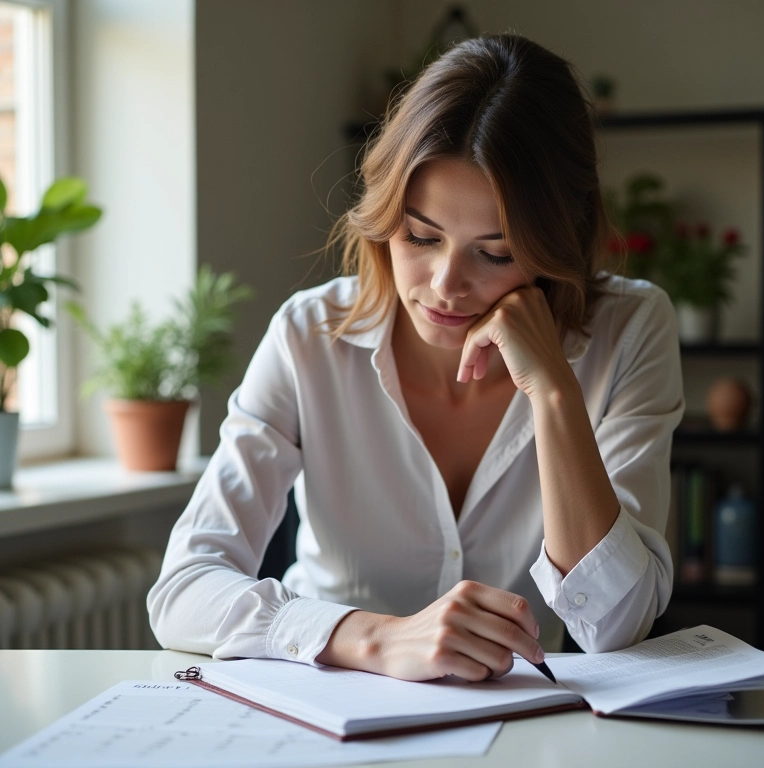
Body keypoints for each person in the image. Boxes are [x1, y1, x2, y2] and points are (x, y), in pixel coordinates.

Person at [147, 33, 684, 682]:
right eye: (420, 236)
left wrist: (553, 394)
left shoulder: (630, 329)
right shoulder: (309, 335)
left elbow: (617, 625)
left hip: (527, 732)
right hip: (327, 714)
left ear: (557, 243)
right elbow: (182, 589)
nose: (444, 284)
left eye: (496, 252)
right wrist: (372, 638)